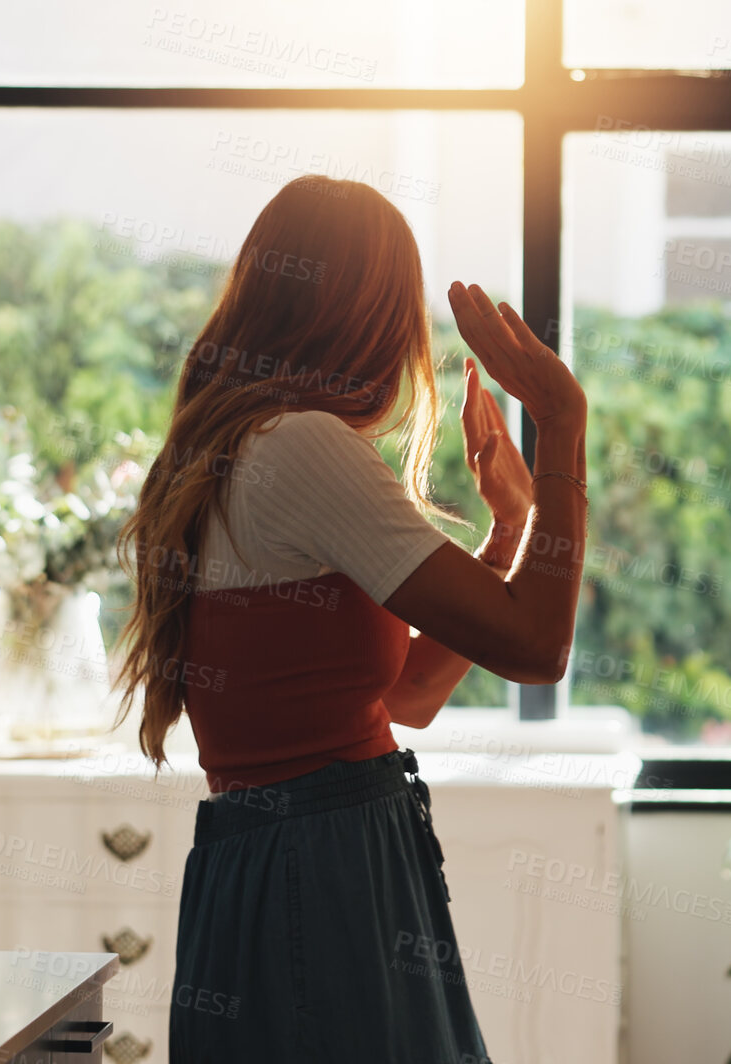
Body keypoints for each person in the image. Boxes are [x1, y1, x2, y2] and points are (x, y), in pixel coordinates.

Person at [109, 173, 588, 1062]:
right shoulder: (301, 445)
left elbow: (405, 697)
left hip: (278, 868)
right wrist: (561, 423)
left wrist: (511, 529)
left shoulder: (230, 448)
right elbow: (538, 647)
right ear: (367, 319)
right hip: (326, 872)